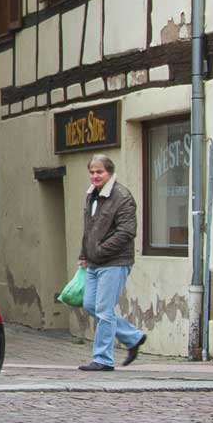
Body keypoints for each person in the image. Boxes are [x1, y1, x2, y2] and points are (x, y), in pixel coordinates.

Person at [78, 154, 145, 372]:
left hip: (115, 261)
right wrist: (84, 253)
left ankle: (103, 359)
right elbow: (89, 228)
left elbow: (127, 232)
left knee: (104, 310)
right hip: (94, 262)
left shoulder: (122, 196)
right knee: (90, 304)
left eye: (99, 172)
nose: (95, 176)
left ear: (110, 173)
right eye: (92, 172)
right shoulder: (92, 195)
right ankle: (133, 337)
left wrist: (99, 250)